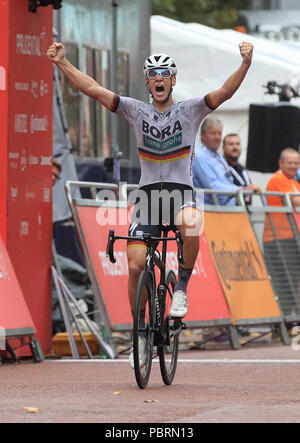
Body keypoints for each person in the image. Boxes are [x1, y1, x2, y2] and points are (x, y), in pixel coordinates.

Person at [47, 40, 254, 368]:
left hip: (181, 192)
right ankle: (140, 332)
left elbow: (224, 92)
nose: (159, 79)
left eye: (165, 74)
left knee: (191, 223)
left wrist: (244, 64)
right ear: (147, 81)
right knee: (134, 265)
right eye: (152, 74)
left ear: (172, 80)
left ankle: (181, 289)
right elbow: (94, 89)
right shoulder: (134, 109)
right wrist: (62, 63)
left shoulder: (191, 110)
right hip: (147, 197)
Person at [263, 148, 300, 319]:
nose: (293, 166)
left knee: (292, 279)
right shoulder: (278, 179)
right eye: (290, 162)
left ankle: (287, 320)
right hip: (278, 239)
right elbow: (295, 200)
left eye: (296, 163)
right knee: (285, 281)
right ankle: (284, 321)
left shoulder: (294, 182)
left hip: (290, 238)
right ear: (281, 163)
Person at [192, 118, 260, 205]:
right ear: (202, 135)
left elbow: (228, 181)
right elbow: (212, 186)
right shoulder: (199, 156)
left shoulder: (218, 156)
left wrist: (244, 189)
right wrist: (241, 190)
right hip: (209, 212)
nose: (217, 137)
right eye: (213, 133)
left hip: (224, 209)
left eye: (219, 133)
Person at [222, 133, 261, 204]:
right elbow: (223, 190)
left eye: (238, 144)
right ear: (223, 148)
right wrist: (246, 190)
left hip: (245, 212)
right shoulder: (220, 167)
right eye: (231, 144)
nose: (235, 147)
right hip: (228, 212)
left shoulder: (242, 169)